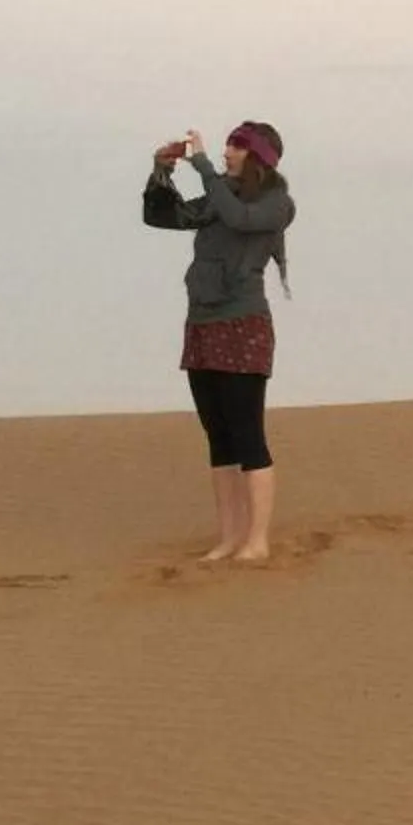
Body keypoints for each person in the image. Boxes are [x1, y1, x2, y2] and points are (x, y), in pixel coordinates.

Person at [144, 121, 295, 563]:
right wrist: (161, 171)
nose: (227, 151)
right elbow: (164, 216)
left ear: (258, 158)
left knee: (248, 435)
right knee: (219, 437)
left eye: (236, 146)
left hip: (243, 326)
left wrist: (204, 166)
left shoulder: (276, 204)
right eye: (227, 144)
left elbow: (239, 218)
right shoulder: (218, 195)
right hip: (203, 325)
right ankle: (229, 538)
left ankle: (257, 541)